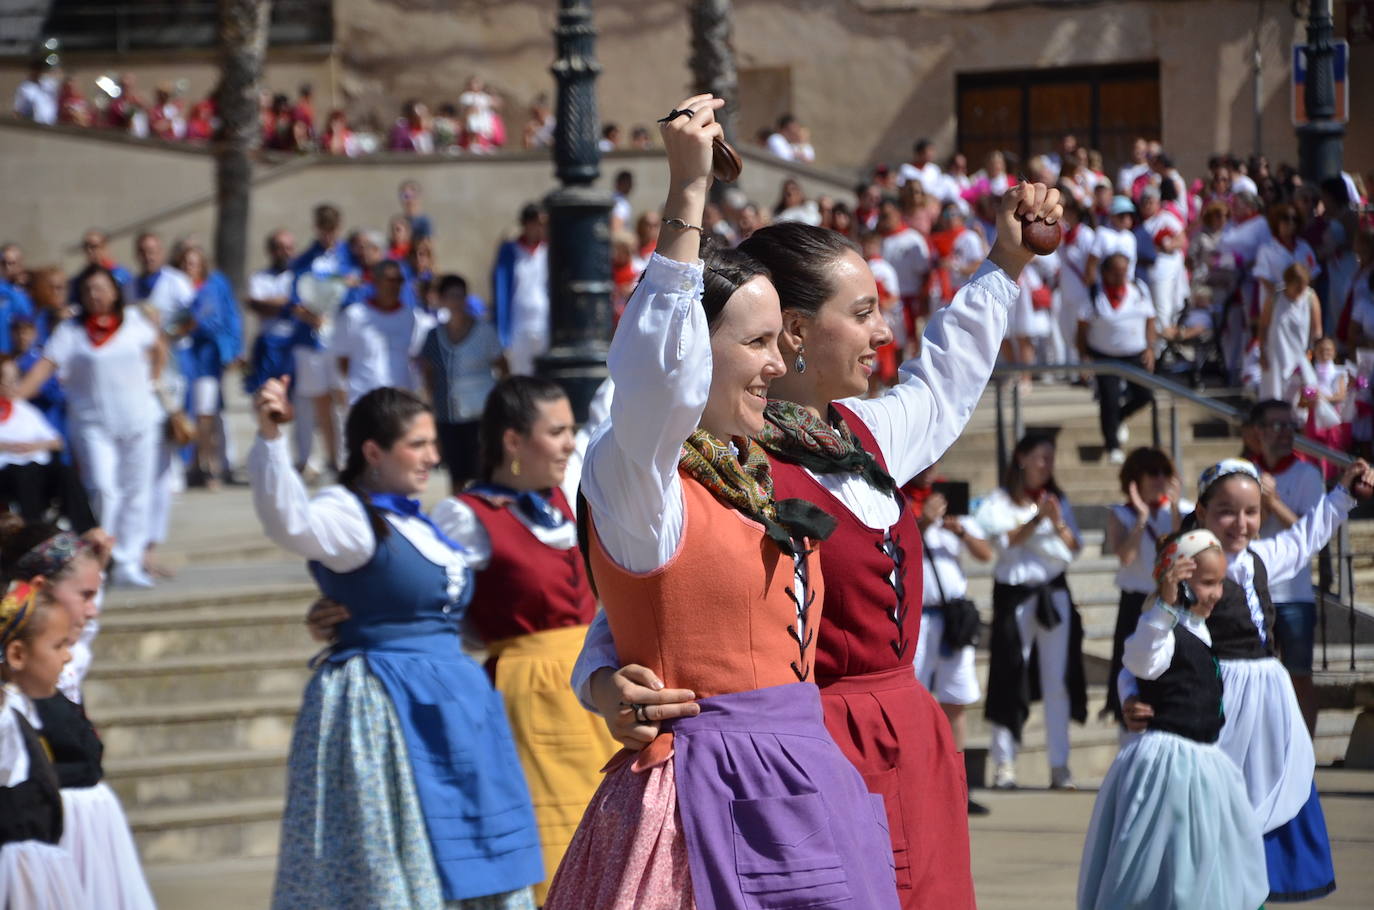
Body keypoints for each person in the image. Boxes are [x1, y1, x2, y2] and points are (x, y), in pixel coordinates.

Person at [573, 173, 1061, 909]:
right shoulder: (701, 462)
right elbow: (649, 594)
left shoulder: (855, 437)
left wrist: (1005, 267)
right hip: (803, 746)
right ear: (797, 333)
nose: (885, 332)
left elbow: (946, 381)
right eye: (863, 312)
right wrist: (602, 677)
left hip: (896, 746)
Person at [548, 94, 898, 910]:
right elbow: (650, 379)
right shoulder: (640, 473)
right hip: (709, 799)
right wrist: (686, 198)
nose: (779, 365)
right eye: (755, 343)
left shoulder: (763, 463)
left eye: (783, 341)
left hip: (806, 786)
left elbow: (640, 612)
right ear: (694, 357)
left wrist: (600, 673)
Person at [247, 383, 542, 909]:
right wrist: (272, 438)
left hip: (457, 704)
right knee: (401, 853)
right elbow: (290, 524)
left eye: (433, 443)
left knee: (478, 848)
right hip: (387, 705)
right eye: (417, 444)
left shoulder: (418, 520)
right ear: (373, 452)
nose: (433, 456)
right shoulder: (350, 515)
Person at [1121, 457, 1374, 903]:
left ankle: (1258, 890)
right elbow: (1145, 649)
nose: (1241, 523)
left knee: (1277, 795)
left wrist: (1342, 495)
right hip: (1221, 705)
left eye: (1251, 512)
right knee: (1219, 813)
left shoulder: (1256, 559)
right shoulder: (1182, 574)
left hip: (1269, 708)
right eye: (1226, 511)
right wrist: (1130, 697)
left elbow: (1302, 540)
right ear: (1200, 512)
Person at [433, 377, 618, 902]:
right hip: (527, 695)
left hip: (595, 684)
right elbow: (427, 596)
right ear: (513, 441)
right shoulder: (466, 516)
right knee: (552, 845)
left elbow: (618, 403)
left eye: (569, 431)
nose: (567, 443)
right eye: (555, 432)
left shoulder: (566, 495)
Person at [1078, 530, 1266, 910]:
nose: (1216, 593)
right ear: (1178, 581)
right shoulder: (1161, 625)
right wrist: (1164, 605)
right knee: (1161, 862)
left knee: (1207, 860)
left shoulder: (1202, 628)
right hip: (1167, 765)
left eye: (1220, 583)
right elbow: (1140, 660)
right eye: (1207, 583)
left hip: (1204, 763)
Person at [2, 527, 154, 908]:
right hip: (49, 844)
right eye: (85, 595)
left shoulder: (54, 666)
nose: (68, 653)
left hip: (89, 836)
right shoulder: (17, 695)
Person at [18, 266, 165, 589]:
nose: (95, 295)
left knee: (137, 492)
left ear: (114, 291)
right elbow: (45, 368)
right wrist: (14, 395)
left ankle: (128, 561)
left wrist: (154, 381)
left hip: (139, 419)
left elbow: (159, 348)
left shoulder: (134, 322)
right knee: (103, 489)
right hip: (93, 423)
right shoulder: (71, 331)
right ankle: (101, 556)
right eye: (87, 290)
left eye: (100, 288)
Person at [975, 432, 1085, 790]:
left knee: (1057, 681)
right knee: (1008, 676)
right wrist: (1038, 521)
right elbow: (1004, 543)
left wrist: (1056, 520)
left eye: (1051, 459)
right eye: (1041, 458)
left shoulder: (1057, 500)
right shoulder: (999, 501)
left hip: (1053, 595)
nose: (1046, 465)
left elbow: (1074, 546)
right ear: (1021, 458)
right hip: (1015, 596)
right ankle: (1004, 764)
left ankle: (1060, 765)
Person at [908, 465, 994, 817]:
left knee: (955, 701)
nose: (931, 470)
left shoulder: (951, 500)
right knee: (912, 699)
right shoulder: (900, 498)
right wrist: (925, 522)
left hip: (953, 617)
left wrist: (958, 531)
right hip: (920, 615)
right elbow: (897, 544)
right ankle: (916, 783)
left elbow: (985, 553)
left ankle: (959, 785)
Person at [0, 582, 89, 910]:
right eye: (58, 645)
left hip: (39, 875)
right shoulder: (4, 723)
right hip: (17, 881)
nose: (68, 656)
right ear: (17, 654)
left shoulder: (16, 708)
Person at [1241, 400, 1326, 736]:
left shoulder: (1306, 473)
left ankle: (1305, 754)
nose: (1286, 433)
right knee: (1253, 677)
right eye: (1277, 426)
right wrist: (1259, 504)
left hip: (1294, 595)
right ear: (1257, 432)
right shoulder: (1245, 471)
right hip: (1252, 593)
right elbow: (1244, 532)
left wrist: (1273, 501)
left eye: (1291, 425)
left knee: (1299, 674)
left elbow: (1310, 535)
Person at [1102, 447, 1186, 724]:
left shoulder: (1180, 511)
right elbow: (1126, 557)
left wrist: (1174, 510)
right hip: (1134, 602)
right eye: (1153, 472)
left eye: (1165, 472)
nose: (1160, 478)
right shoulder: (1121, 514)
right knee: (1129, 673)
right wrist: (1140, 519)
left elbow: (1179, 551)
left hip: (1167, 600)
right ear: (1136, 477)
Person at [417, 274, 504, 492]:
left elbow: (502, 365)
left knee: (483, 469)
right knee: (456, 472)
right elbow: (428, 373)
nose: (456, 301)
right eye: (450, 296)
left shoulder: (485, 331)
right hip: (449, 414)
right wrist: (431, 407)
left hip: (481, 413)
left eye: (460, 295)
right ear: (441, 299)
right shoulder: (433, 336)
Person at [1077, 252, 1156, 464]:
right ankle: (1112, 444)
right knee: (1109, 399)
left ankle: (1118, 418)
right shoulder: (1094, 294)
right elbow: (1082, 328)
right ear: (1106, 273)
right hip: (1104, 355)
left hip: (1134, 353)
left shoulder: (1138, 290)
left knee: (1144, 395)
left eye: (1125, 272)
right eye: (1117, 272)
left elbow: (1150, 320)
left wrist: (1150, 348)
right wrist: (1084, 356)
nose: (1122, 276)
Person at [0, 355, 93, 529]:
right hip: (8, 471)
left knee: (66, 473)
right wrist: (7, 446)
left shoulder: (24, 409)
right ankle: (34, 532)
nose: (13, 386)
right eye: (7, 381)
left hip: (37, 466)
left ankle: (86, 531)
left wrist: (36, 445)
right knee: (24, 472)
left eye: (15, 380)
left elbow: (57, 442)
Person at [332, 260, 433, 404]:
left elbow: (417, 359)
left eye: (399, 280)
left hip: (401, 400)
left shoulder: (412, 318)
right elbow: (342, 360)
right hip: (364, 400)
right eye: (390, 280)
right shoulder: (354, 315)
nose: (395, 285)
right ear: (376, 281)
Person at [491, 204, 548, 376]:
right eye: (538, 223)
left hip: (544, 324)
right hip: (519, 325)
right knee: (521, 375)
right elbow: (501, 289)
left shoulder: (548, 250)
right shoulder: (510, 250)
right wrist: (502, 333)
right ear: (527, 223)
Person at [1258, 263, 1321, 402]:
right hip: (1275, 357)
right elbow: (1263, 326)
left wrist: (1313, 352)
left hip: (1301, 356)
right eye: (1297, 285)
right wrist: (1262, 353)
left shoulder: (1310, 297)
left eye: (1304, 285)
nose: (1301, 289)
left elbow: (1317, 331)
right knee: (1273, 399)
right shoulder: (1274, 298)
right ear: (1288, 282)